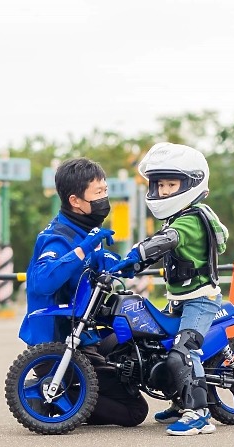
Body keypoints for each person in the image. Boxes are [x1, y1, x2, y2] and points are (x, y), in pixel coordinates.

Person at [19, 157, 149, 427]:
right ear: (75, 201)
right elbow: (42, 281)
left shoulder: (86, 230)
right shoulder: (56, 237)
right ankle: (50, 395)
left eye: (106, 190)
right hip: (59, 343)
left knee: (133, 349)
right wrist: (84, 248)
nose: (105, 198)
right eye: (98, 193)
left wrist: (126, 263)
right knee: (134, 411)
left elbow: (95, 265)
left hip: (85, 333)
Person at [109, 142, 229, 436]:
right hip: (181, 299)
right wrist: (129, 266)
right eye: (159, 185)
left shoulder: (191, 220)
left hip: (200, 300)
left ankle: (199, 414)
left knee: (183, 351)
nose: (163, 191)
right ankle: (180, 401)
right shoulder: (179, 217)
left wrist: (137, 253)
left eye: (170, 184)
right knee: (160, 349)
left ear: (190, 183)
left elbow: (166, 241)